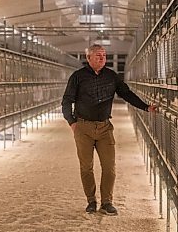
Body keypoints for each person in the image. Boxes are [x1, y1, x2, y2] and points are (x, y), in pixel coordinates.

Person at [61, 44, 156, 215]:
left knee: (109, 167)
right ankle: (91, 201)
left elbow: (126, 94)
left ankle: (107, 202)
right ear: (88, 58)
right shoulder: (78, 77)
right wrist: (72, 122)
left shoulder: (112, 76)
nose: (102, 58)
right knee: (86, 167)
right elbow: (67, 100)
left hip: (105, 127)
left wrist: (146, 107)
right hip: (83, 127)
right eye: (98, 55)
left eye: (104, 55)